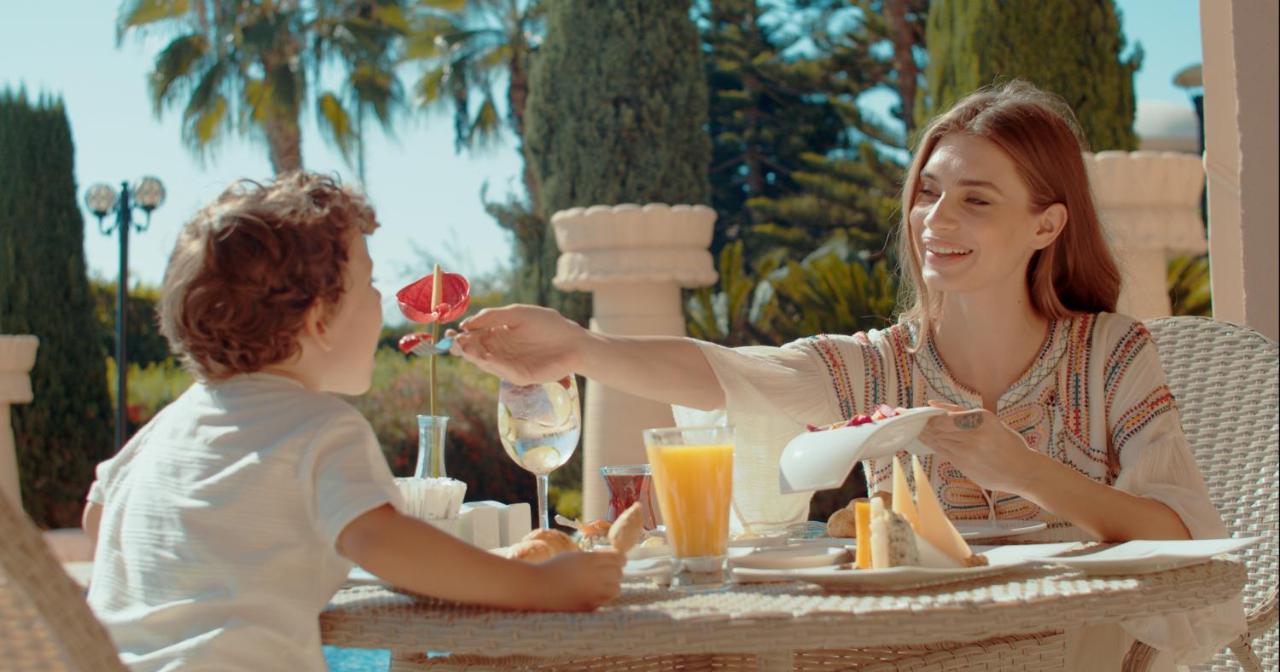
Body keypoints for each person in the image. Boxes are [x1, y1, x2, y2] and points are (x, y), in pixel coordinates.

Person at [449, 82, 1242, 669]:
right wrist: (580, 349)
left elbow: (1186, 537)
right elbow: (736, 374)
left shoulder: (1111, 354)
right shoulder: (883, 365)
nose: (936, 220)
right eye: (928, 192)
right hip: (913, 651)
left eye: (976, 200)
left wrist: (1025, 471)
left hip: (1073, 650)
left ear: (1047, 224)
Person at [81, 172, 624, 672]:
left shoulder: (164, 429)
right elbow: (387, 545)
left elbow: (97, 518)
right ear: (319, 320)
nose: (381, 300)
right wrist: (537, 585)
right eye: (369, 284)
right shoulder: (320, 428)